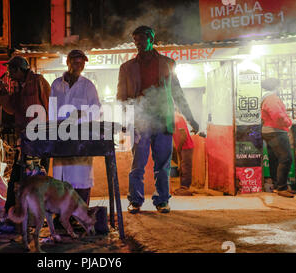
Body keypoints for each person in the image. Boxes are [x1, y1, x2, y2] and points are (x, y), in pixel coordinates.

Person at [117, 26, 198, 214]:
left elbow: (178, 93)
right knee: (138, 164)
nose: (138, 43)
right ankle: (135, 200)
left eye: (141, 39)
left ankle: (162, 201)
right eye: (135, 40)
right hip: (140, 122)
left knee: (163, 165)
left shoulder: (168, 63)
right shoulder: (126, 68)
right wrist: (123, 120)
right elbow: (121, 97)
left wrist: (190, 118)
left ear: (151, 39)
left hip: (163, 121)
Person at [0, 56, 51, 220]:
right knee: (19, 176)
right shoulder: (17, 86)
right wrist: (3, 93)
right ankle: (15, 213)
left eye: (11, 70)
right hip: (25, 139)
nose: (9, 73)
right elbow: (12, 109)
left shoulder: (38, 81)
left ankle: (37, 216)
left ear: (20, 69)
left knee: (38, 177)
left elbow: (50, 104)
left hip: (41, 139)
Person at [49, 49, 101, 205]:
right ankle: (61, 217)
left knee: (81, 178)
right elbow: (52, 110)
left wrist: (82, 113)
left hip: (80, 139)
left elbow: (96, 109)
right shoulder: (56, 84)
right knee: (61, 179)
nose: (78, 66)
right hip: (60, 137)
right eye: (75, 62)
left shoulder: (88, 86)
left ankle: (81, 215)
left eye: (81, 63)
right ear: (68, 62)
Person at [261, 78, 294, 198]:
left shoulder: (266, 97)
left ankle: (277, 185)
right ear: (275, 86)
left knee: (275, 159)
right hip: (276, 131)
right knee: (286, 158)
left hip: (268, 131)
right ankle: (282, 187)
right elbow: (277, 115)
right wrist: (289, 122)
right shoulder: (272, 98)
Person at [172, 111, 195, 196]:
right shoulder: (172, 118)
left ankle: (185, 187)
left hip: (186, 147)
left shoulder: (177, 118)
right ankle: (182, 187)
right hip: (182, 147)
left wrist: (179, 148)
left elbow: (184, 135)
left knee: (185, 168)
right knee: (182, 167)